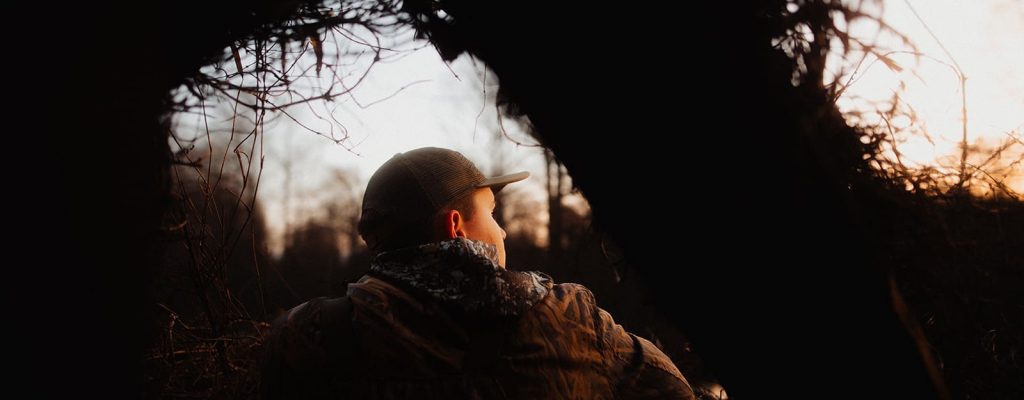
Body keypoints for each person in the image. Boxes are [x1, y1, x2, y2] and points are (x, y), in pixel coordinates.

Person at [261, 147, 695, 399]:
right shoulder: (569, 319)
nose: (502, 229)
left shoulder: (307, 334)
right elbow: (674, 391)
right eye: (491, 212)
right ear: (454, 225)